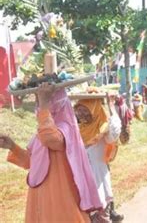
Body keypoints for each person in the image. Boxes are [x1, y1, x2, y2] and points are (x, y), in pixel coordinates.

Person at [0, 84, 102, 222]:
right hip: (40, 198)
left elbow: (50, 138)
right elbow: (30, 162)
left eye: (43, 100)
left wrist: (44, 105)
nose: (38, 105)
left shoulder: (65, 128)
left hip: (59, 197)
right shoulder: (41, 132)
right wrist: (12, 146)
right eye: (38, 100)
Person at [74, 94, 124, 222]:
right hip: (82, 185)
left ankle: (111, 212)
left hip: (98, 184)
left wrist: (111, 106)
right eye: (79, 110)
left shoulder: (103, 129)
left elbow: (115, 132)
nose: (81, 114)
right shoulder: (77, 130)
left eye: (86, 110)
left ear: (94, 110)